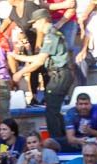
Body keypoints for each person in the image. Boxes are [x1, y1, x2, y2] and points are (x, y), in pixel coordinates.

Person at [12, 10, 72, 145]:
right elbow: (40, 58)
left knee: (51, 111)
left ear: (43, 20)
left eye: (35, 23)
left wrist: (20, 73)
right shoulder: (51, 34)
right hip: (58, 74)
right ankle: (61, 140)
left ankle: (58, 142)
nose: (35, 26)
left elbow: (39, 61)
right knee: (53, 110)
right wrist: (19, 57)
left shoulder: (51, 35)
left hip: (59, 74)